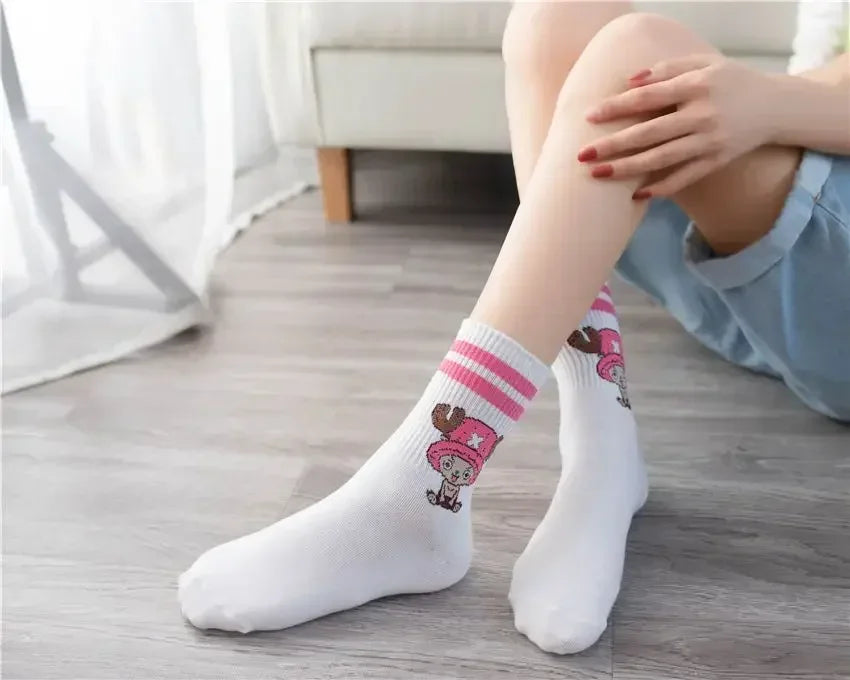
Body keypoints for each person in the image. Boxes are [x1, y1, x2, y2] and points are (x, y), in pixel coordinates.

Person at [178, 6, 850, 655]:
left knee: (643, 54)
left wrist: (770, 104)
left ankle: (418, 491)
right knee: (559, 15)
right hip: (763, 265)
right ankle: (603, 444)